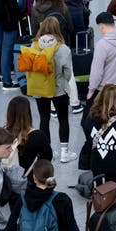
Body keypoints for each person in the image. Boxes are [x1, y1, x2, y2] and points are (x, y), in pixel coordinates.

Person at [23, 16, 76, 162]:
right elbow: (68, 73)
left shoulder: (33, 46)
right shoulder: (63, 48)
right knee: (63, 119)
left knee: (44, 119)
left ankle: (47, 151)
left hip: (40, 89)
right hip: (58, 89)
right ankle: (64, 153)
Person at [88, 12, 116, 102]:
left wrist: (91, 90)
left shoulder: (102, 44)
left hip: (105, 90)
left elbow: (97, 72)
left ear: (101, 26)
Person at [5, 95, 53, 172]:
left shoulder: (2, 132)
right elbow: (47, 158)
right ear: (28, 113)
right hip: (29, 179)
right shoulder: (37, 136)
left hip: (7, 177)